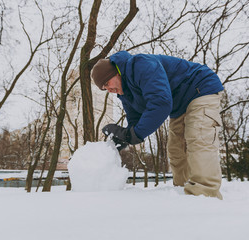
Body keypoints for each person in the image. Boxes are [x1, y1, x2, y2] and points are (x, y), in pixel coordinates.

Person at [90, 51, 224, 199]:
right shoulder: (125, 94)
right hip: (179, 106)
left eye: (107, 83)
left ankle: (204, 195)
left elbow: (160, 104)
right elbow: (136, 121)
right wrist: (126, 137)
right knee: (175, 150)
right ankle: (183, 191)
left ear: (116, 73)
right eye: (104, 89)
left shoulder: (141, 65)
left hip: (200, 88)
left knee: (198, 139)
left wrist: (135, 134)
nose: (109, 90)